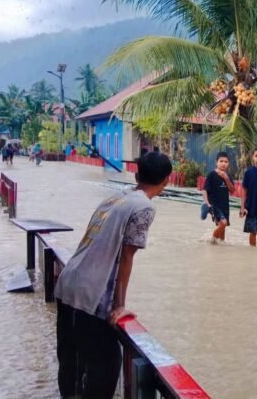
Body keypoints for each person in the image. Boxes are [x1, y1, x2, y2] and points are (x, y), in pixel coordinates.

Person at [53, 152, 172, 398]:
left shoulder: (117, 197)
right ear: (167, 181)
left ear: (137, 175)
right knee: (105, 368)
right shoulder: (144, 207)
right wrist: (119, 306)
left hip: (68, 283)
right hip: (91, 293)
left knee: (71, 362)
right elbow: (127, 256)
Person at [202, 152, 235, 242]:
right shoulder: (211, 175)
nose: (223, 163)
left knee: (223, 232)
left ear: (228, 163)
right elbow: (204, 190)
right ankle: (212, 241)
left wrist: (226, 178)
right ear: (216, 162)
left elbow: (232, 190)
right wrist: (207, 203)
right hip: (214, 205)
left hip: (225, 205)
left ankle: (219, 250)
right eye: (221, 161)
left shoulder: (228, 176)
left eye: (226, 162)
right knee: (223, 223)